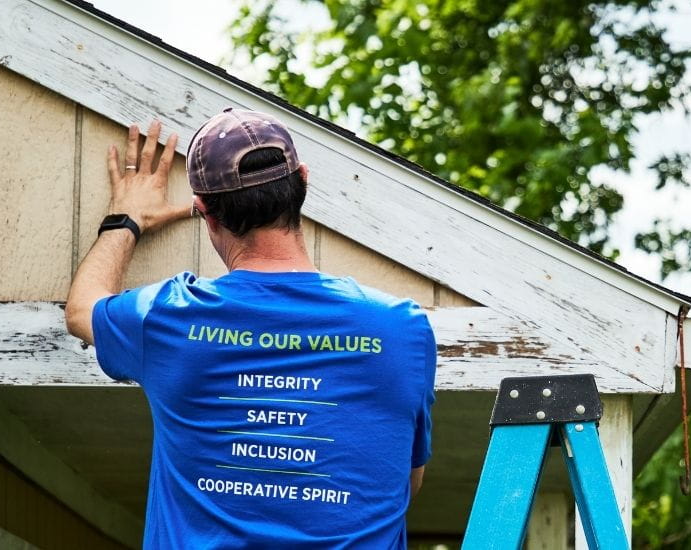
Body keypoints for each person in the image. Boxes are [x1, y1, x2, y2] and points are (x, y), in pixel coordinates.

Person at [64, 109, 436, 549]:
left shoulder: (170, 316)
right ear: (302, 180)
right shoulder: (403, 328)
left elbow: (82, 309)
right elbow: (403, 483)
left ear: (205, 214)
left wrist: (127, 218)